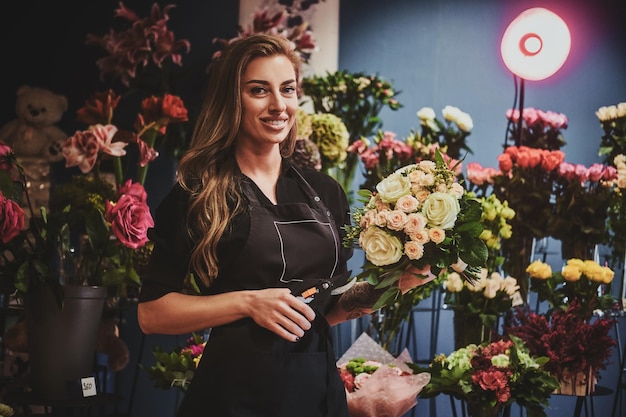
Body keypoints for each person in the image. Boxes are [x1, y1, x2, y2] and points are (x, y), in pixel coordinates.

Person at [137, 33, 390, 417]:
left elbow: (325, 309)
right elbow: (151, 314)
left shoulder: (324, 191)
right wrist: (249, 302)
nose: (278, 105)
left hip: (316, 395)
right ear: (231, 100)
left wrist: (395, 284)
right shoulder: (199, 194)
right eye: (259, 90)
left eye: (287, 89)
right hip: (233, 396)